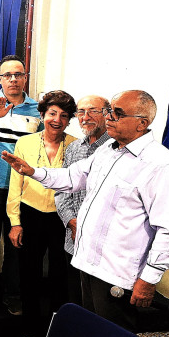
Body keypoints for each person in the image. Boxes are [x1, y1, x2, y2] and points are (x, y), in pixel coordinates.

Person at [1, 90, 169, 333]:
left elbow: (168, 229)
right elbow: (73, 176)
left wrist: (150, 278)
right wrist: (33, 172)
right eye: (109, 110)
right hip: (88, 263)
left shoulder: (159, 164)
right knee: (92, 334)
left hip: (117, 272)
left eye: (118, 113)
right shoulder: (109, 150)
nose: (109, 117)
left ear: (142, 123)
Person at [4, 90, 77, 337]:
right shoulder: (25, 143)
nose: (57, 120)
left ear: (69, 120)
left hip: (63, 218)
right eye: (53, 113)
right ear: (43, 114)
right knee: (29, 275)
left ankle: (59, 334)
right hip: (31, 214)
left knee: (62, 278)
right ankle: (31, 332)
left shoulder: (76, 145)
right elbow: (16, 184)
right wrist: (15, 221)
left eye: (64, 115)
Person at [0, 55, 40, 316]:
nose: (13, 79)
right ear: (0, 79)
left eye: (18, 74)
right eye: (7, 75)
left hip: (24, 188)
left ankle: (13, 295)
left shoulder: (37, 108)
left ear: (25, 77)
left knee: (17, 244)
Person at [54, 95, 111, 305]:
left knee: (100, 305)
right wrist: (72, 221)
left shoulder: (117, 149)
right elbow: (62, 191)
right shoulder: (74, 148)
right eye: (81, 112)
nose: (85, 117)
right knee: (76, 300)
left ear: (107, 114)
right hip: (73, 239)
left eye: (93, 111)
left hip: (102, 247)